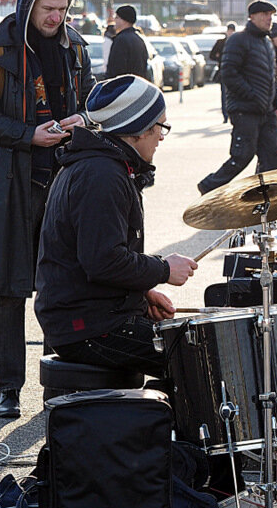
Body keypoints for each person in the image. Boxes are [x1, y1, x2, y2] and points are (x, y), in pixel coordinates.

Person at [0, 0, 95, 419]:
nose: (56, 17)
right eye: (48, 9)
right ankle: (8, 389)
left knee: (64, 288)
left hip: (66, 181)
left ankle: (62, 382)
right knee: (8, 291)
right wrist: (28, 134)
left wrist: (85, 119)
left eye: (63, 9)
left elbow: (90, 101)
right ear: (28, 6)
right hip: (11, 184)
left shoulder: (76, 47)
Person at [35, 75, 197, 377]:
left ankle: (163, 419)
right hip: (87, 326)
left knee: (195, 342)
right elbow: (102, 261)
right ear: (137, 129)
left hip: (96, 314)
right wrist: (163, 269)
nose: (162, 136)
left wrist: (144, 291)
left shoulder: (105, 165)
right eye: (160, 126)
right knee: (197, 357)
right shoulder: (102, 176)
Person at [197, 0, 277, 195]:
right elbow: (228, 73)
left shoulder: (266, 43)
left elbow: (272, 78)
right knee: (242, 156)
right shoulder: (239, 40)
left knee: (271, 157)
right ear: (252, 17)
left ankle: (264, 199)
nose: (268, 18)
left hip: (266, 110)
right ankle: (210, 186)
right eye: (264, 14)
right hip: (245, 110)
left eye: (271, 15)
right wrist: (252, 96)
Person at [105, 4, 149, 80]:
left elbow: (115, 69)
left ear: (124, 20)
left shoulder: (121, 40)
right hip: (138, 86)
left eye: (117, 17)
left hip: (123, 87)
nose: (114, 20)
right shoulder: (139, 39)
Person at [211, 22, 236, 123]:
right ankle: (225, 115)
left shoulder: (237, 42)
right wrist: (218, 57)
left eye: (232, 31)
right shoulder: (220, 42)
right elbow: (212, 55)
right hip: (223, 71)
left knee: (233, 94)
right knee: (224, 94)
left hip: (235, 72)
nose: (230, 32)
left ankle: (231, 114)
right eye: (229, 30)